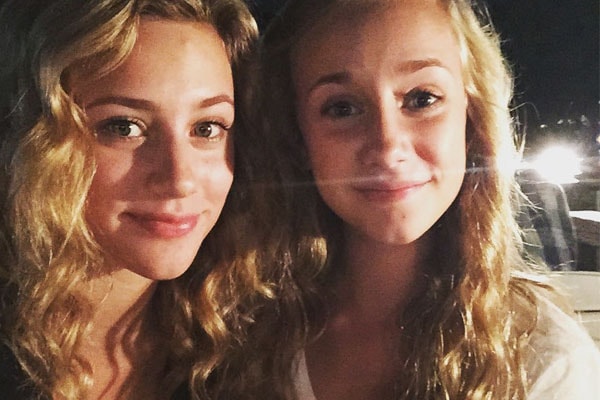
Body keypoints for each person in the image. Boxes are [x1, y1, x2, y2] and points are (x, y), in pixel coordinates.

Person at [212, 0, 600, 398]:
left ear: (471, 119)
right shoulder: (238, 325)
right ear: (296, 138)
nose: (387, 146)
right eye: (342, 108)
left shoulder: (541, 360)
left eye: (422, 99)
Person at [0, 0, 261, 398]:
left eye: (207, 128)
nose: (179, 180)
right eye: (124, 127)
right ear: (30, 138)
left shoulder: (256, 346)